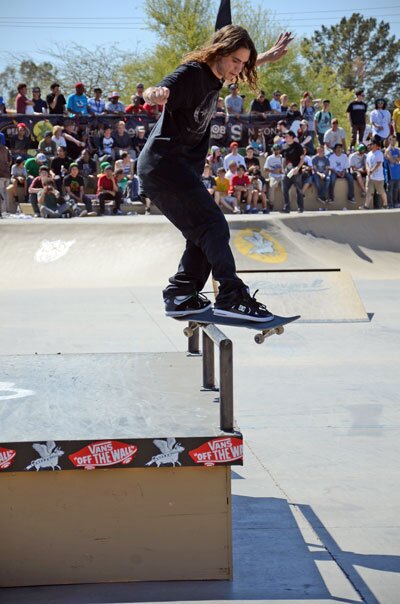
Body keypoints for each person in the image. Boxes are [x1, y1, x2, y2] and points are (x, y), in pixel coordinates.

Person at [137, 24, 293, 321]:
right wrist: (154, 93)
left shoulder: (218, 75)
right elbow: (158, 89)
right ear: (220, 52)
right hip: (164, 164)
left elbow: (239, 65)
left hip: (175, 168)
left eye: (244, 63)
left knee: (202, 234)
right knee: (213, 226)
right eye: (236, 61)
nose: (238, 70)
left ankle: (181, 293)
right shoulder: (192, 73)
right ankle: (231, 295)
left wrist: (266, 57)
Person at [281, 130, 305, 213]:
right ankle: (287, 207)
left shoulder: (298, 146)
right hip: (287, 171)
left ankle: (300, 207)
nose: (286, 138)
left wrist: (298, 168)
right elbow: (284, 159)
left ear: (291, 136)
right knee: (284, 189)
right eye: (285, 137)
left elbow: (302, 159)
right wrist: (283, 168)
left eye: (287, 136)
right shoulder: (284, 146)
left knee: (298, 190)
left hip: (296, 171)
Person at [361, 137, 387, 210]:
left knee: (381, 191)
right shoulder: (369, 154)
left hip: (378, 178)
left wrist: (372, 170)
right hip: (370, 177)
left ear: (375, 145)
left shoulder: (379, 153)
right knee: (369, 192)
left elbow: (378, 163)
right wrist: (368, 170)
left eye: (371, 144)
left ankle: (385, 204)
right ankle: (366, 206)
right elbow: (367, 163)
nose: (369, 146)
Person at [384, 135, 399, 208]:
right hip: (390, 174)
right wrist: (395, 159)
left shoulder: (397, 150)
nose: (394, 141)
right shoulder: (387, 150)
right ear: (389, 141)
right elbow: (392, 161)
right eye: (392, 140)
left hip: (397, 173)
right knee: (389, 190)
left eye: (395, 140)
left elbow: (399, 160)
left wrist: (395, 159)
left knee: (396, 189)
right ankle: (389, 204)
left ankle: (396, 203)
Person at [0, 139, 12, 216]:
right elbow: (10, 161)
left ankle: (2, 211)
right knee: (6, 193)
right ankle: (6, 211)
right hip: (7, 173)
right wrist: (6, 166)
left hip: (0, 175)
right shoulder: (6, 148)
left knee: (1, 194)